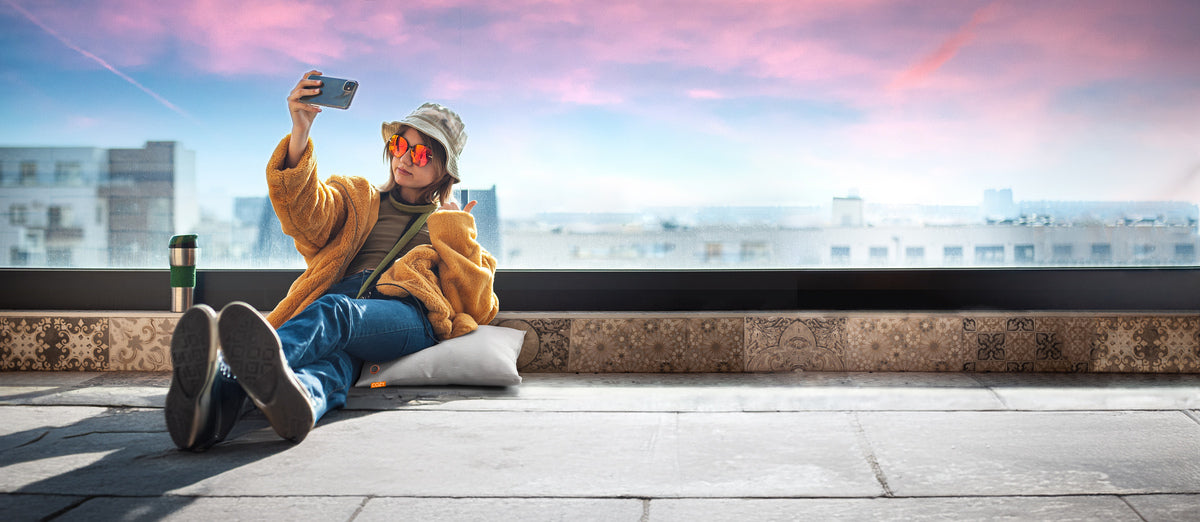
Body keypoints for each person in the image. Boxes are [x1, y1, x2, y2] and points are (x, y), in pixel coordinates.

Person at [165, 70, 498, 450]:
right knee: (333, 366)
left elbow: (476, 305)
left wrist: (455, 227)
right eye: (399, 144)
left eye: (421, 153)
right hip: (345, 302)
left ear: (445, 170)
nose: (404, 157)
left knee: (336, 312)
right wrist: (300, 130)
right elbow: (306, 216)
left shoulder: (451, 223)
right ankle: (296, 401)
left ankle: (223, 378)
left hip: (406, 316)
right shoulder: (356, 198)